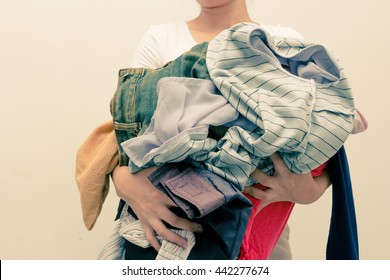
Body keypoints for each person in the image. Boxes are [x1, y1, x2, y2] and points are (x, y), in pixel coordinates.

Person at [111, 0, 335, 259]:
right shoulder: (161, 39)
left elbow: (325, 143)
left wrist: (306, 191)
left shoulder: (283, 40)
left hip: (259, 232)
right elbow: (121, 136)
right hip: (167, 225)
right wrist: (123, 180)